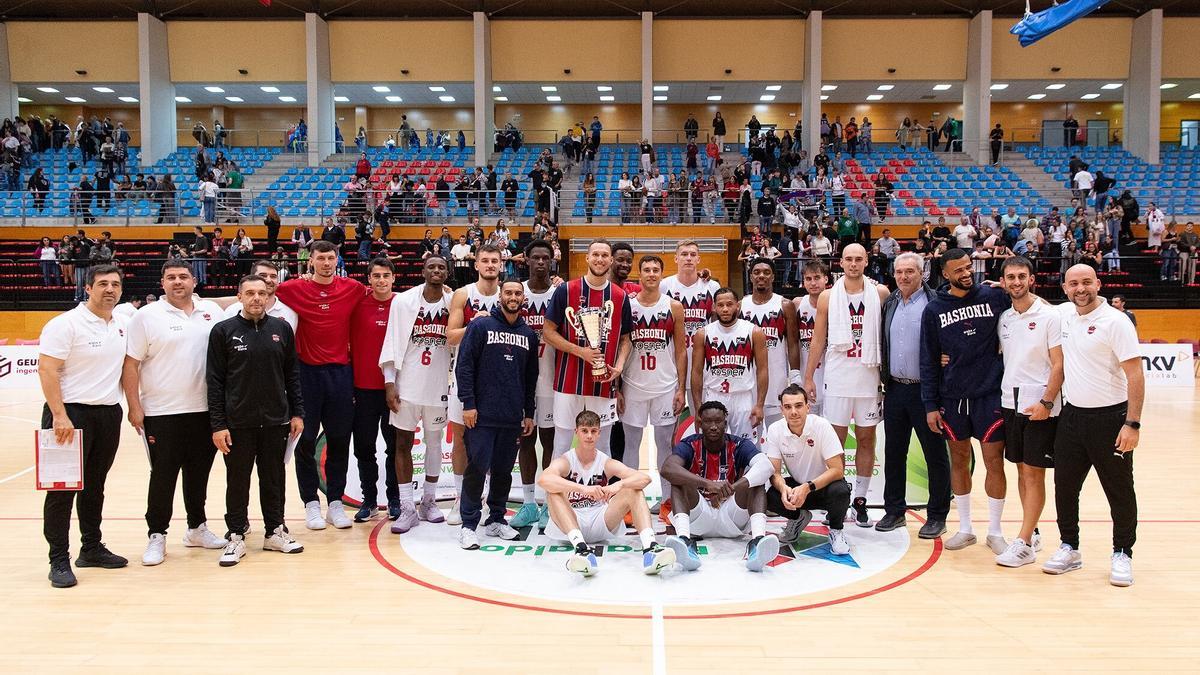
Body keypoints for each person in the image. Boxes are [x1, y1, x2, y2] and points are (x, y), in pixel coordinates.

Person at [121, 262, 227, 566]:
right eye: (171, 278)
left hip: (205, 410)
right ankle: (157, 534)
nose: (177, 282)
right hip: (162, 412)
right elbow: (131, 364)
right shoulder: (146, 316)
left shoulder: (211, 312)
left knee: (199, 475)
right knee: (163, 475)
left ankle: (196, 528)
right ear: (163, 283)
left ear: (194, 280)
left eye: (183, 277)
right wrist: (134, 406)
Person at [1045, 265, 1143, 587]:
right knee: (1065, 487)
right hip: (1072, 417)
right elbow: (1031, 303)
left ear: (1098, 284)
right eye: (1074, 284)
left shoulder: (1116, 321)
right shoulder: (1065, 316)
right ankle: (1069, 547)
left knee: (1118, 490)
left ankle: (1122, 552)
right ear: (1065, 288)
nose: (1081, 289)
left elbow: (1135, 375)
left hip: (1111, 419)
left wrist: (1132, 424)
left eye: (1087, 282)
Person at [37, 264, 129, 588]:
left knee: (95, 486)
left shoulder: (122, 322)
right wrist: (59, 415)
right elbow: (47, 370)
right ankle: (58, 559)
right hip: (69, 415)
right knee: (62, 492)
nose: (109, 289)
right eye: (102, 283)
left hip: (107, 414)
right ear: (87, 288)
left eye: (115, 284)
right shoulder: (65, 324)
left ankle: (90, 548)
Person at [206, 275, 305, 567]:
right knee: (237, 481)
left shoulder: (282, 329)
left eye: (261, 293)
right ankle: (236, 534)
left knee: (274, 478)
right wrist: (218, 424)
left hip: (276, 420)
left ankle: (275, 531)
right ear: (239, 296)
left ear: (268, 297)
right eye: (250, 293)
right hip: (238, 422)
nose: (256, 298)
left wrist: (297, 412)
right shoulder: (223, 331)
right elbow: (214, 381)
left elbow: (292, 376)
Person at [920, 248, 1011, 554]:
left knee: (993, 461)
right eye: (958, 270)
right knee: (959, 461)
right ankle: (966, 528)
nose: (966, 273)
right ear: (945, 274)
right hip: (952, 396)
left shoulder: (994, 297)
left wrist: (1007, 287)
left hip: (989, 394)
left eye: (968, 267)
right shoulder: (934, 310)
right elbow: (929, 359)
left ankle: (996, 531)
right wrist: (930, 404)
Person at [273, 240, 367, 530]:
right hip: (306, 376)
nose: (326, 263)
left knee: (339, 440)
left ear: (336, 259)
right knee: (305, 441)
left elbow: (386, 295)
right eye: (321, 258)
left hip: (340, 374)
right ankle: (311, 503)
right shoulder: (291, 289)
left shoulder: (351, 288)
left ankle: (335, 503)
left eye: (331, 257)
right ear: (310, 260)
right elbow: (259, 293)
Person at [803, 244, 889, 527]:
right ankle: (835, 500)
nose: (853, 264)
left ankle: (861, 500)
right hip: (838, 377)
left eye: (858, 259)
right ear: (841, 263)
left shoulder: (880, 293)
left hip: (868, 376)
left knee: (867, 440)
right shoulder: (828, 296)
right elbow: (817, 339)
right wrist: (807, 376)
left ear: (866, 262)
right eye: (848, 259)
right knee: (835, 443)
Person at [454, 279, 539, 550]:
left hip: (512, 415)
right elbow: (464, 366)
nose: (513, 297)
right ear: (500, 296)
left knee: (503, 471)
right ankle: (468, 524)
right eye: (508, 293)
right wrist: (468, 403)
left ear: (523, 298)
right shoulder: (480, 326)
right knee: (477, 468)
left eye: (517, 293)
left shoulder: (528, 334)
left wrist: (529, 413)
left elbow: (530, 378)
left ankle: (496, 519)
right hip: (481, 415)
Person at [539, 410, 676, 577]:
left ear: (599, 433)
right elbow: (543, 480)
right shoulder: (566, 460)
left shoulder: (605, 462)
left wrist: (618, 485)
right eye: (584, 431)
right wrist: (583, 489)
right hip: (571, 521)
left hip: (600, 520)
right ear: (576, 432)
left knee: (633, 490)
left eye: (593, 431)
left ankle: (650, 549)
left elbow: (644, 478)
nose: (589, 436)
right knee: (554, 492)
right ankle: (581, 550)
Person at [875, 252, 952, 538]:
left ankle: (937, 515)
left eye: (910, 271)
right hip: (894, 388)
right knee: (894, 453)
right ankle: (894, 511)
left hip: (927, 390)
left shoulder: (936, 302)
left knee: (935, 454)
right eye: (899, 272)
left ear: (922, 273)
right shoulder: (890, 302)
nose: (904, 277)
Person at [994, 256, 1064, 567]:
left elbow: (1059, 364)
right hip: (1010, 403)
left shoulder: (1050, 316)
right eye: (1011, 277)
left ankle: (1022, 542)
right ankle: (1031, 529)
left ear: (1032, 279)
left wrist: (1047, 402)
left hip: (1040, 407)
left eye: (1022, 276)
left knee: (1034, 474)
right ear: (1004, 282)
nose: (1017, 282)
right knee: (1021, 470)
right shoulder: (1005, 318)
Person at [377, 256, 453, 531]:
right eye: (431, 266)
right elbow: (392, 342)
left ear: (447, 272)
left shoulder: (453, 302)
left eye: (441, 267)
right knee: (402, 444)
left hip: (438, 387)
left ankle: (429, 501)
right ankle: (407, 506)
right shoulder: (403, 301)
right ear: (423, 271)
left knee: (434, 444)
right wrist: (389, 382)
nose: (436, 270)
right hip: (407, 386)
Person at [659, 401, 778, 572]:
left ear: (725, 423)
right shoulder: (690, 444)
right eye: (708, 422)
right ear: (700, 424)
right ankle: (685, 541)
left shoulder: (739, 445)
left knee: (755, 481)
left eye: (718, 422)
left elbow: (766, 466)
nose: (713, 426)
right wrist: (707, 484)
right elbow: (667, 468)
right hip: (700, 516)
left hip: (731, 516)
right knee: (679, 479)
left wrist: (729, 489)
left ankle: (758, 542)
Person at [542, 239, 634, 459]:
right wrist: (579, 351)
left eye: (604, 255)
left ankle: (598, 493)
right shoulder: (566, 290)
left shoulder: (620, 297)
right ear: (587, 258)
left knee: (603, 446)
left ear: (610, 260)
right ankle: (557, 494)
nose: (600, 259)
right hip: (568, 380)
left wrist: (619, 367)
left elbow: (626, 339)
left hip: (603, 383)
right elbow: (548, 332)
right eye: (595, 255)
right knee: (562, 443)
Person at [620, 255, 687, 509]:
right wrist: (618, 388)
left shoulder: (673, 306)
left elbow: (681, 350)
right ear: (639, 274)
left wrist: (681, 388)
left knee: (665, 446)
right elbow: (620, 345)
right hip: (633, 383)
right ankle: (628, 500)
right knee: (631, 445)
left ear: (662, 274)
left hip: (665, 386)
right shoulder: (628, 305)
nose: (651, 274)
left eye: (655, 270)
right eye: (646, 270)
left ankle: (668, 500)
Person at [443, 244, 503, 525]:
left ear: (501, 265)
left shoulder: (510, 294)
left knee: (492, 443)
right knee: (461, 441)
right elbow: (450, 336)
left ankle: (489, 499)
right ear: (476, 264)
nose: (490, 265)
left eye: (495, 261)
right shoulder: (463, 295)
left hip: (497, 382)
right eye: (485, 261)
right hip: (465, 379)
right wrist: (476, 325)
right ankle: (459, 497)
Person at [343, 258, 403, 524]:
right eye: (376, 275)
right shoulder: (358, 303)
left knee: (394, 448)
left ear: (393, 278)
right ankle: (369, 500)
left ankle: (394, 500)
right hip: (362, 390)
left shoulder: (403, 304)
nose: (381, 280)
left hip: (394, 390)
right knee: (365, 448)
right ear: (369, 279)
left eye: (386, 275)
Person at [764, 385, 851, 555]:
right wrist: (784, 489)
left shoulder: (821, 425)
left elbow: (837, 470)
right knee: (771, 495)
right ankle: (798, 518)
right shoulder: (775, 430)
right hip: (798, 487)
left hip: (823, 487)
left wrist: (807, 487)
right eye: (788, 407)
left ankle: (836, 531)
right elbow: (775, 472)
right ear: (782, 410)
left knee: (841, 491)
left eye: (798, 406)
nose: (794, 412)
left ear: (808, 407)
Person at [510, 241, 558, 530]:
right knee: (526, 440)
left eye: (545, 258)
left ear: (552, 261)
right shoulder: (517, 293)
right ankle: (529, 503)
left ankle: (549, 503)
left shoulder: (560, 293)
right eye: (535, 257)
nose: (540, 262)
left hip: (553, 380)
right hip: (521, 381)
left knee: (551, 443)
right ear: (526, 259)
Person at [690, 287, 768, 440]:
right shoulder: (703, 334)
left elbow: (763, 370)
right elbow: (696, 372)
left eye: (729, 304)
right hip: (714, 395)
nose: (725, 309)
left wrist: (759, 404)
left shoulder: (754, 332)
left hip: (743, 397)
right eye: (720, 305)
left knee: (746, 446)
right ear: (714, 307)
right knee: (713, 444)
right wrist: (698, 406)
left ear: (737, 306)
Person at [739, 260, 799, 430]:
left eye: (766, 272)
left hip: (777, 378)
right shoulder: (741, 305)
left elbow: (793, 343)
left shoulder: (785, 305)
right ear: (751, 276)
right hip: (749, 380)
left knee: (778, 435)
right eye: (757, 272)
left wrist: (795, 375)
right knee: (750, 438)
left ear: (773, 276)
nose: (761, 276)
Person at [661, 240, 720, 409]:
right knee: (671, 420)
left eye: (693, 255)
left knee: (702, 417)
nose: (688, 258)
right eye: (684, 254)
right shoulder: (665, 286)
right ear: (676, 259)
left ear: (698, 259)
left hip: (702, 362)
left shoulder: (712, 286)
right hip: (673, 361)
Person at [793, 260, 829, 416]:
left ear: (826, 279)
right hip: (806, 374)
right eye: (808, 279)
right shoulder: (797, 304)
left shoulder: (836, 302)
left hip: (831, 375)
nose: (813, 283)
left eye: (817, 277)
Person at [221, 260, 298, 331]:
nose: (268, 280)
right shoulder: (232, 311)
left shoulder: (289, 313)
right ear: (252, 277)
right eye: (263, 275)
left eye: (273, 276)